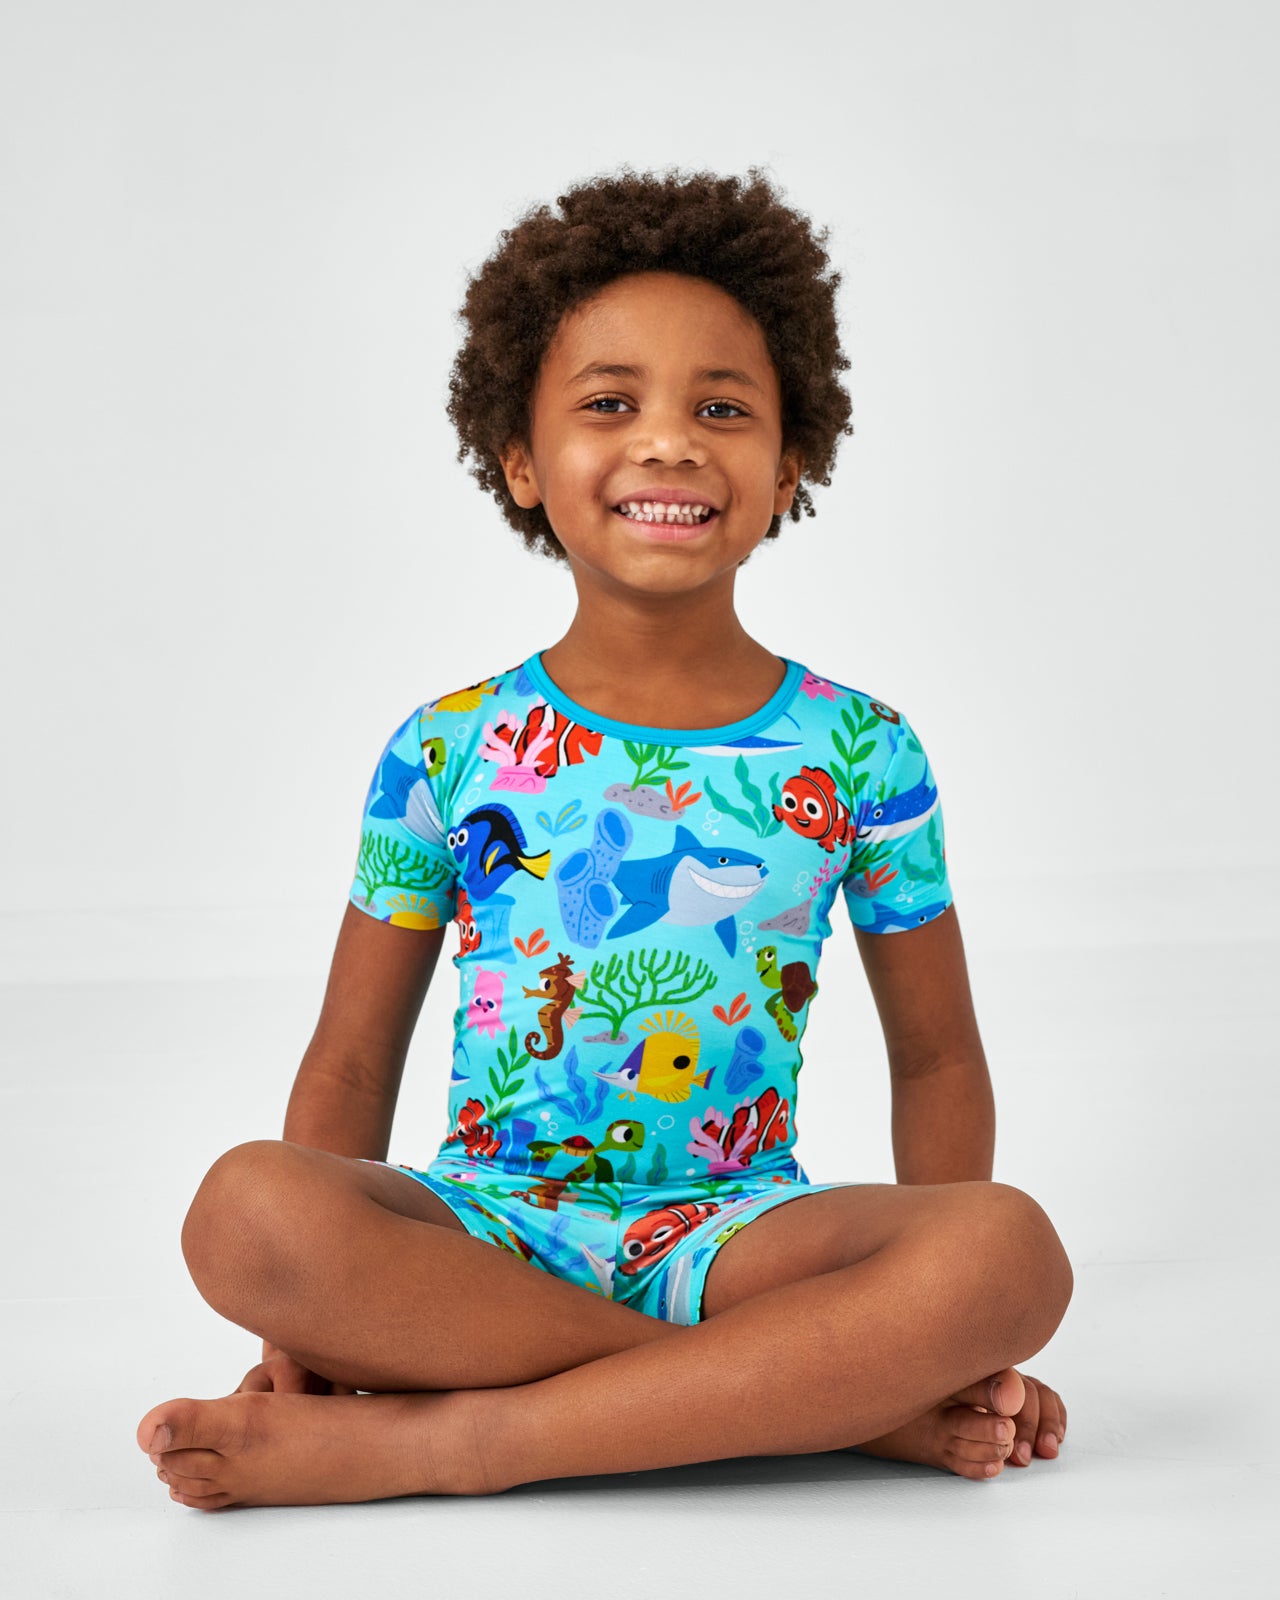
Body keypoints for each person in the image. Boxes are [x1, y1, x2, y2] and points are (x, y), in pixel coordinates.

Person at [136, 169, 1072, 1509]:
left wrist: (959, 1328)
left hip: (741, 1237)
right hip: (484, 1231)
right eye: (610, 403)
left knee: (1007, 1253)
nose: (671, 444)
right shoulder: (447, 748)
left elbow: (937, 1058)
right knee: (246, 1210)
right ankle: (817, 1404)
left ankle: (452, 1443)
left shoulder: (864, 752)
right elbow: (348, 1065)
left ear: (789, 463)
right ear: (520, 461)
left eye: (722, 409)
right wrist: (299, 1334)